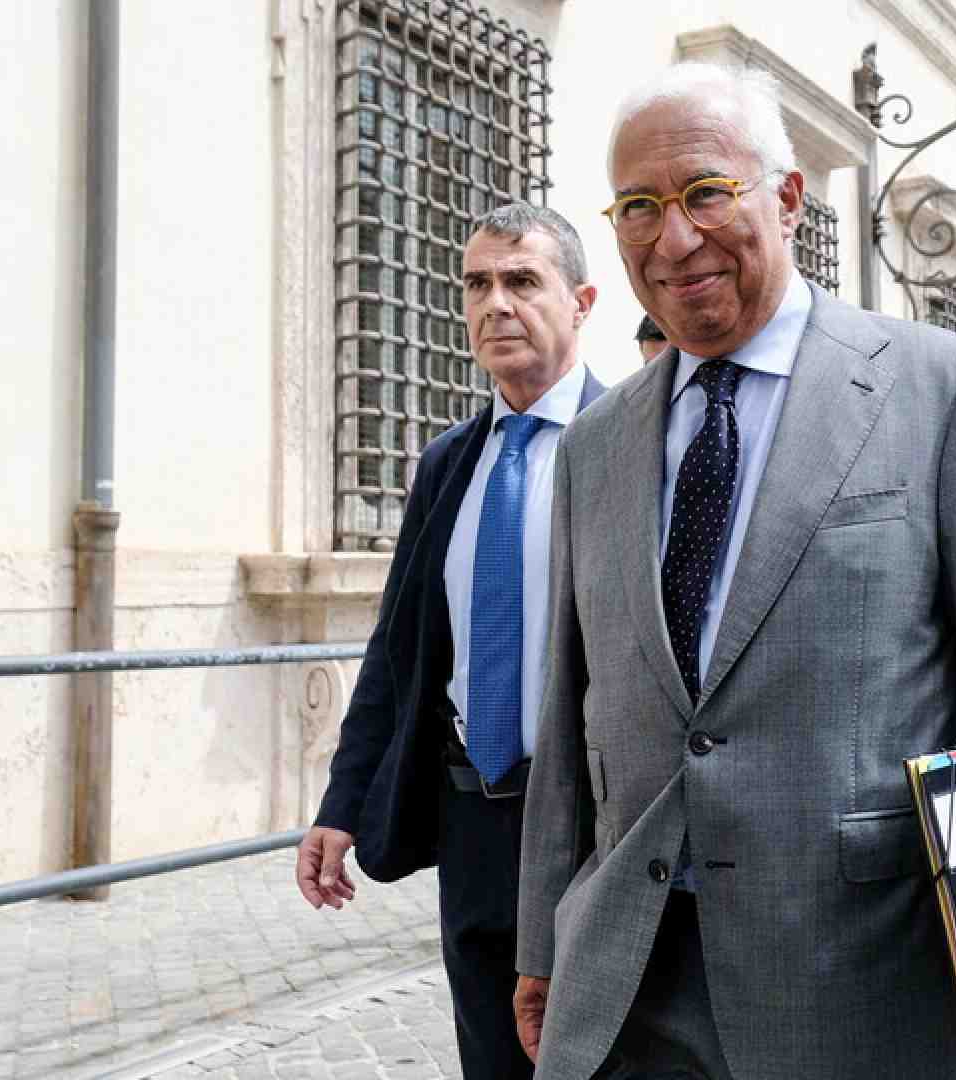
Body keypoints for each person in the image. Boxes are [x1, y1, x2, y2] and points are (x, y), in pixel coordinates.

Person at [512, 63, 956, 1080]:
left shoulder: (939, 390)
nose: (674, 239)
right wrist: (543, 939)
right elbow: (572, 717)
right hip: (629, 976)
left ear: (789, 198)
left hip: (859, 971)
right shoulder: (595, 444)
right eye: (639, 207)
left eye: (706, 193)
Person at [295, 202, 603, 1080]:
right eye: (477, 284)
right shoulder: (448, 464)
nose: (495, 304)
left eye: (522, 281)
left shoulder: (635, 442)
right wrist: (342, 804)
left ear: (581, 301)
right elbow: (398, 651)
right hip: (474, 819)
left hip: (594, 826)